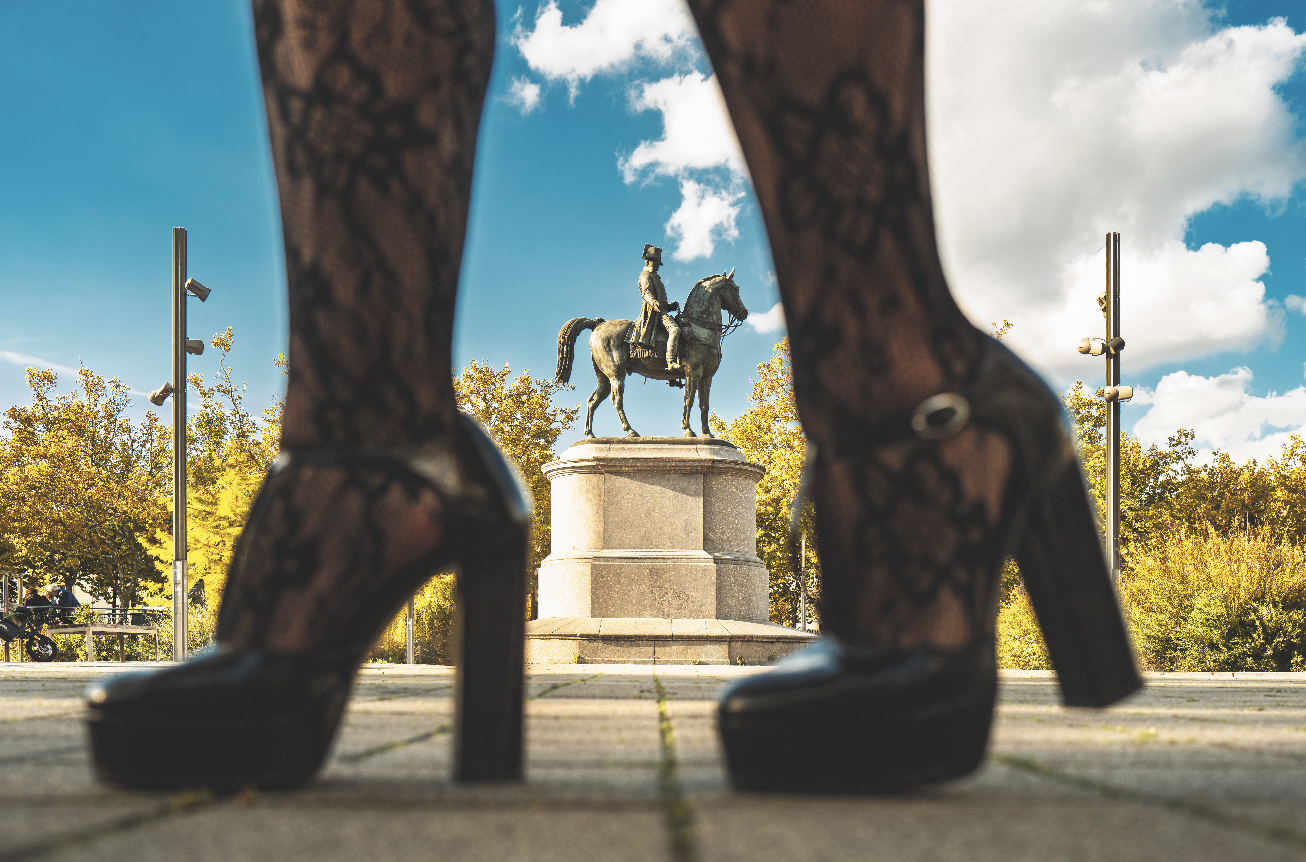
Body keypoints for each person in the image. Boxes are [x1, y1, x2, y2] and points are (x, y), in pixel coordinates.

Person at [86, 0, 1139, 795]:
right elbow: (650, 300)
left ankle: (902, 385)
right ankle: (364, 434)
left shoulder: (682, 293)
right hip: (626, 325)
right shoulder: (641, 293)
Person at [628, 244, 681, 370]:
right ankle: (671, 361)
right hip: (654, 313)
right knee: (675, 330)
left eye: (658, 262)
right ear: (648, 261)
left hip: (661, 311)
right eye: (655, 261)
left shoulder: (656, 277)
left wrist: (670, 306)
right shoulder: (645, 275)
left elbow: (661, 301)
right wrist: (653, 302)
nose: (657, 265)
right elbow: (646, 292)